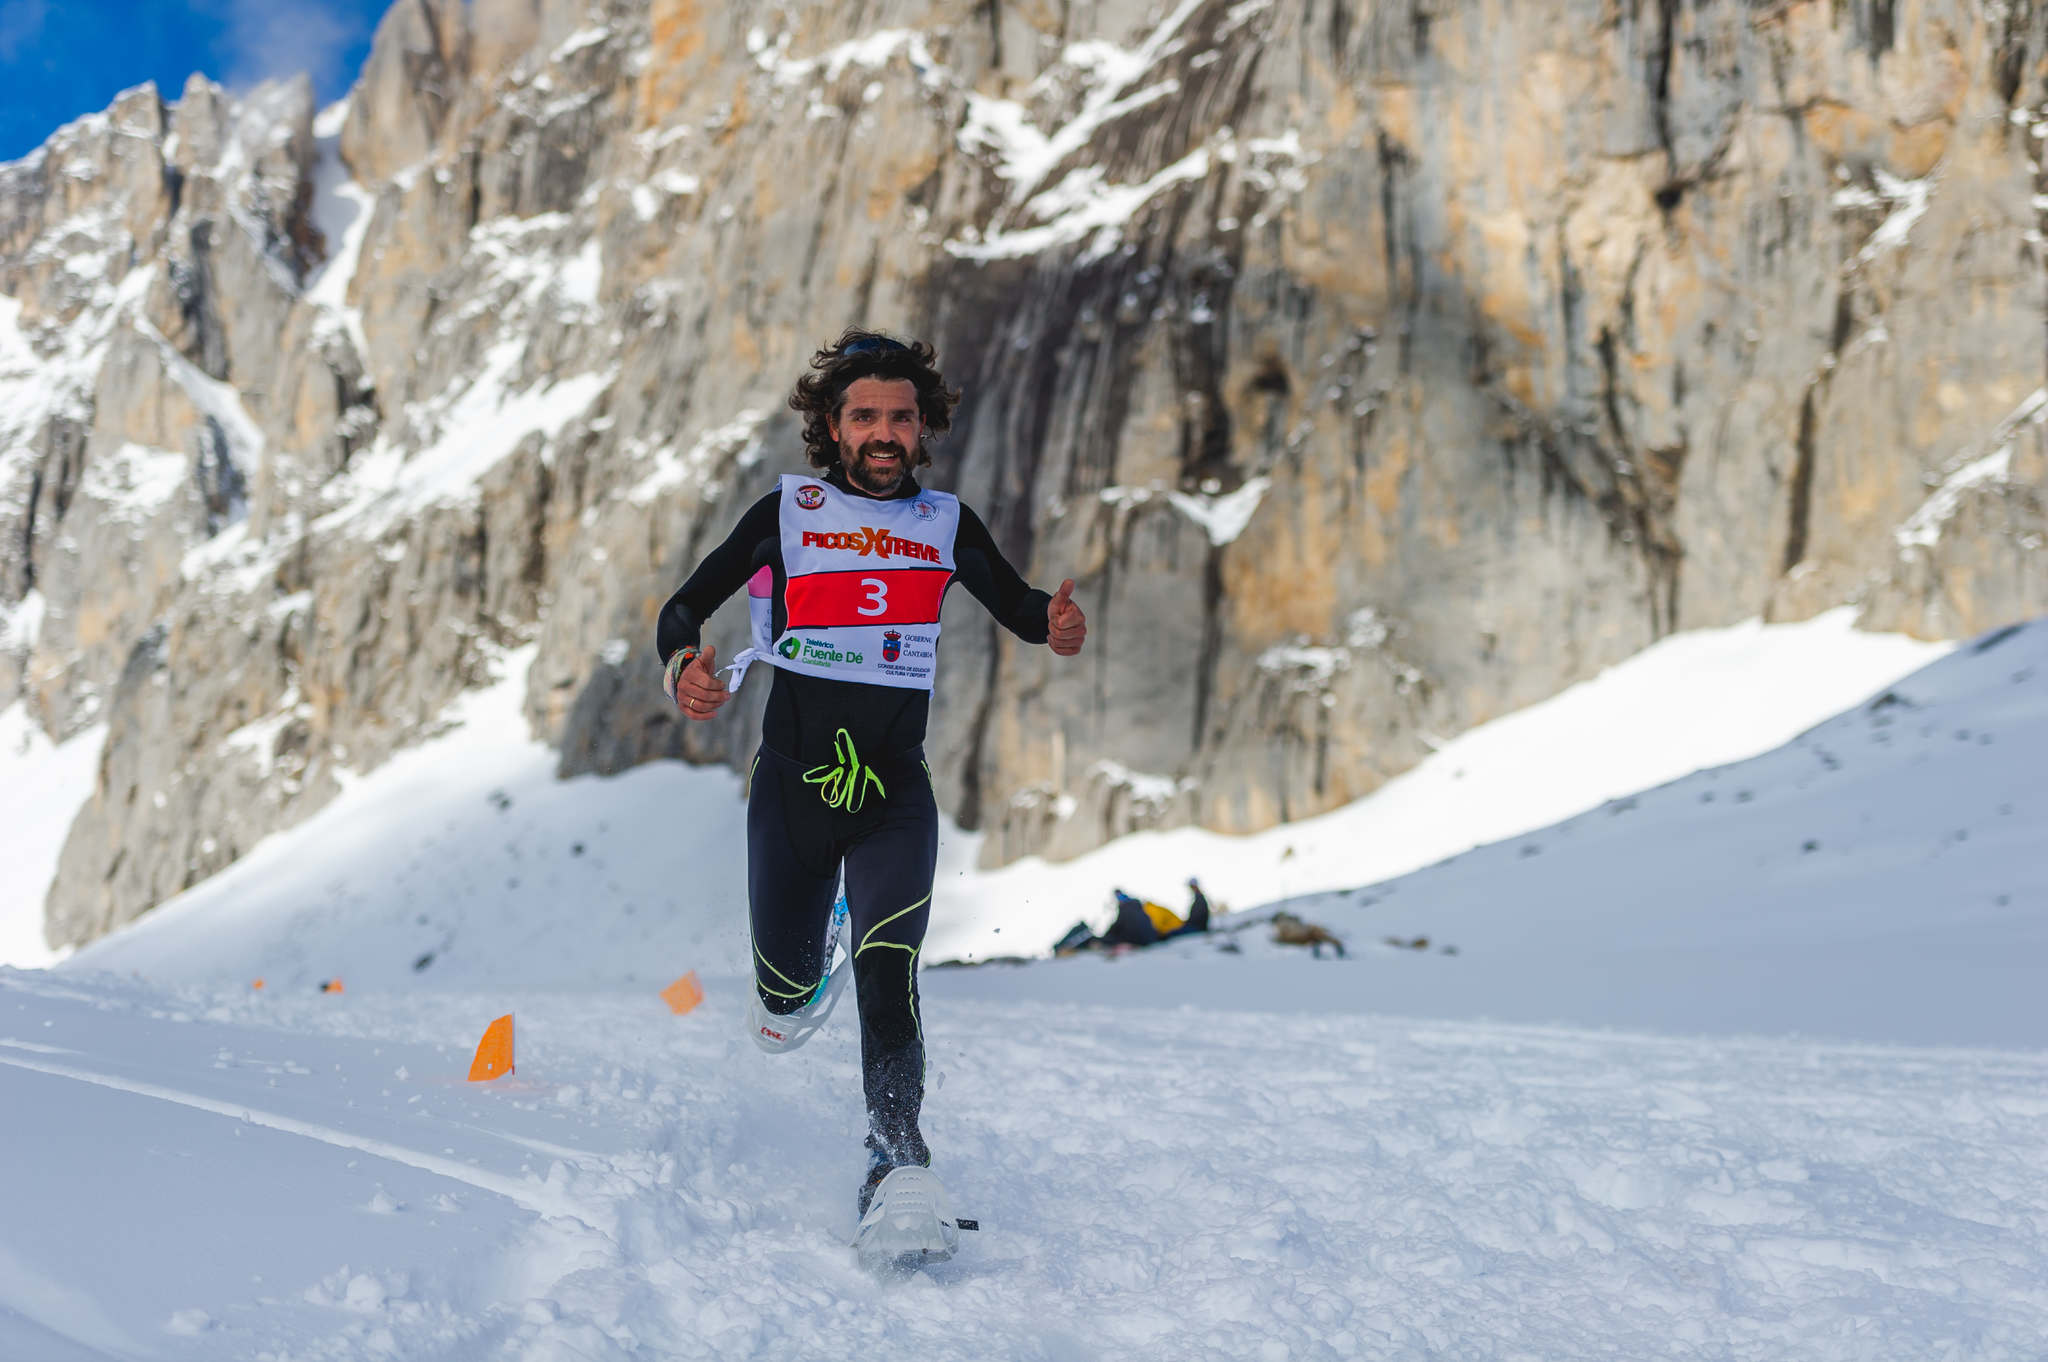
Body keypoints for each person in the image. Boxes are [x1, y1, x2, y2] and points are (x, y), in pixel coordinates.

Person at [655, 328, 1087, 1237]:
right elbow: (685, 604)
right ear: (832, 426)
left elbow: (1016, 608)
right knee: (779, 1011)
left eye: (901, 415)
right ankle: (801, 973)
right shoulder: (787, 512)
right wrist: (681, 661)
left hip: (894, 792)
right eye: (865, 416)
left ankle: (898, 1163)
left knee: (892, 971)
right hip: (793, 791)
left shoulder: (945, 525)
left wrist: (1053, 622)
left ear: (924, 425)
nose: (885, 432)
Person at [1055, 878, 1212, 954]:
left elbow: (1117, 928)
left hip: (1144, 939)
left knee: (1092, 937)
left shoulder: (1130, 910)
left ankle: (1065, 948)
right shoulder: (1140, 908)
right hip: (1149, 938)